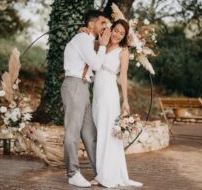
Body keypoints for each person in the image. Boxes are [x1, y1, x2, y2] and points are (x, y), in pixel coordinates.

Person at [61, 10, 111, 188]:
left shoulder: (88, 40)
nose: (105, 27)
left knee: (90, 135)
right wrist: (103, 44)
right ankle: (73, 173)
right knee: (72, 132)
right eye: (102, 23)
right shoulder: (82, 39)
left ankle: (102, 172)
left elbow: (97, 51)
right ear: (92, 24)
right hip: (74, 85)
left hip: (83, 87)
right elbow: (96, 65)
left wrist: (102, 43)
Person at [92, 19, 143, 188]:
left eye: (122, 33)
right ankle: (102, 172)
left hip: (109, 92)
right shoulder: (102, 44)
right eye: (116, 30)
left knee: (108, 133)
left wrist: (125, 101)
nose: (118, 35)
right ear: (111, 29)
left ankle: (106, 176)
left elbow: (123, 76)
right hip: (97, 91)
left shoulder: (123, 51)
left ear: (124, 36)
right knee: (101, 132)